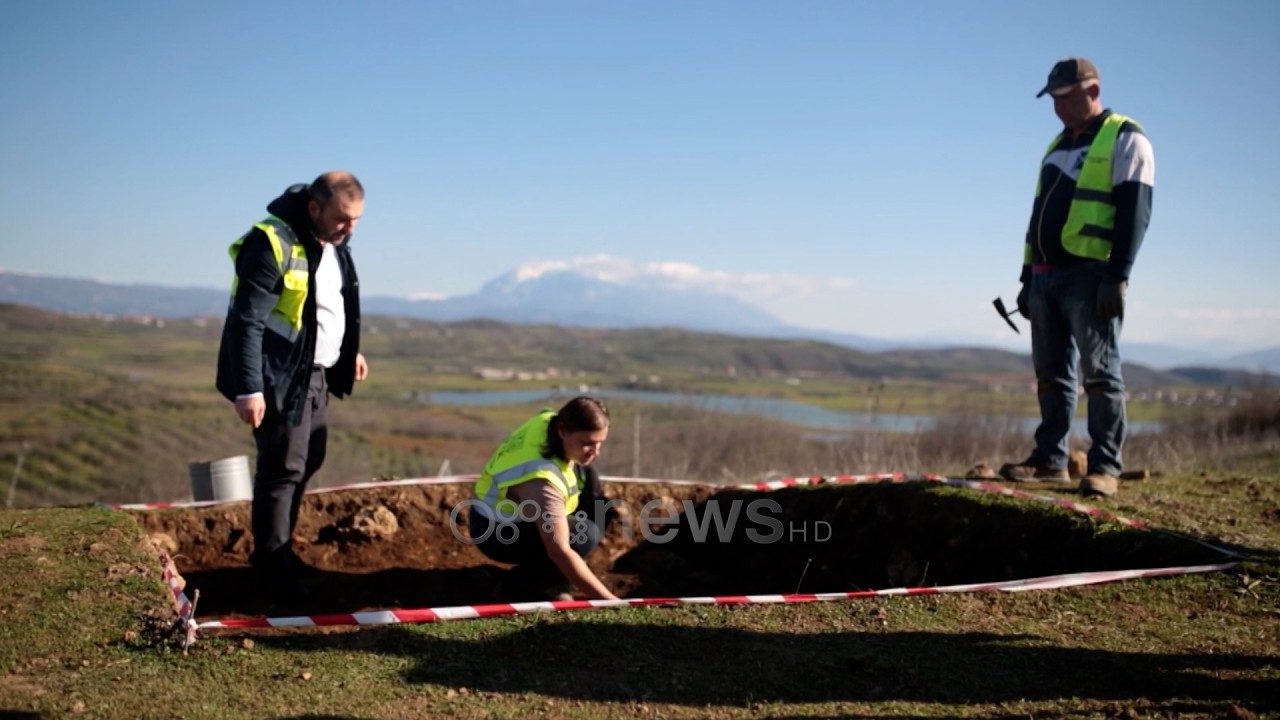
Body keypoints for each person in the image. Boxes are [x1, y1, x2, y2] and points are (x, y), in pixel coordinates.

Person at [999, 58, 1155, 497]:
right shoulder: (1056, 146)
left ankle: (1105, 467)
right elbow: (1037, 216)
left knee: (1101, 375)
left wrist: (1117, 276)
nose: (1057, 107)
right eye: (1052, 99)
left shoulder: (1126, 138)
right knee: (1051, 375)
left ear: (1092, 90)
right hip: (1046, 277)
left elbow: (1135, 212)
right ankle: (1050, 460)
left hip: (1091, 276)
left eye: (1064, 97)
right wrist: (1028, 277)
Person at [216, 171, 370, 601]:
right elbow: (246, 320)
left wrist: (346, 351)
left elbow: (328, 307)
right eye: (343, 218)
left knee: (308, 460)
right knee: (282, 468)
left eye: (356, 219)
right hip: (277, 377)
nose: (350, 228)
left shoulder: (334, 245)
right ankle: (271, 568)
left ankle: (280, 552)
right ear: (314, 208)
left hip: (316, 373)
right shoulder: (270, 243)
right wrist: (249, 388)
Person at [468, 396, 620, 601]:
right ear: (563, 431)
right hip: (494, 530)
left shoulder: (549, 420)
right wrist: (612, 602)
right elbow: (559, 550)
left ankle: (554, 577)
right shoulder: (541, 481)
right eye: (587, 443)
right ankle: (515, 588)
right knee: (585, 535)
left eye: (601, 442)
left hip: (512, 512)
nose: (596, 452)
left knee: (599, 503)